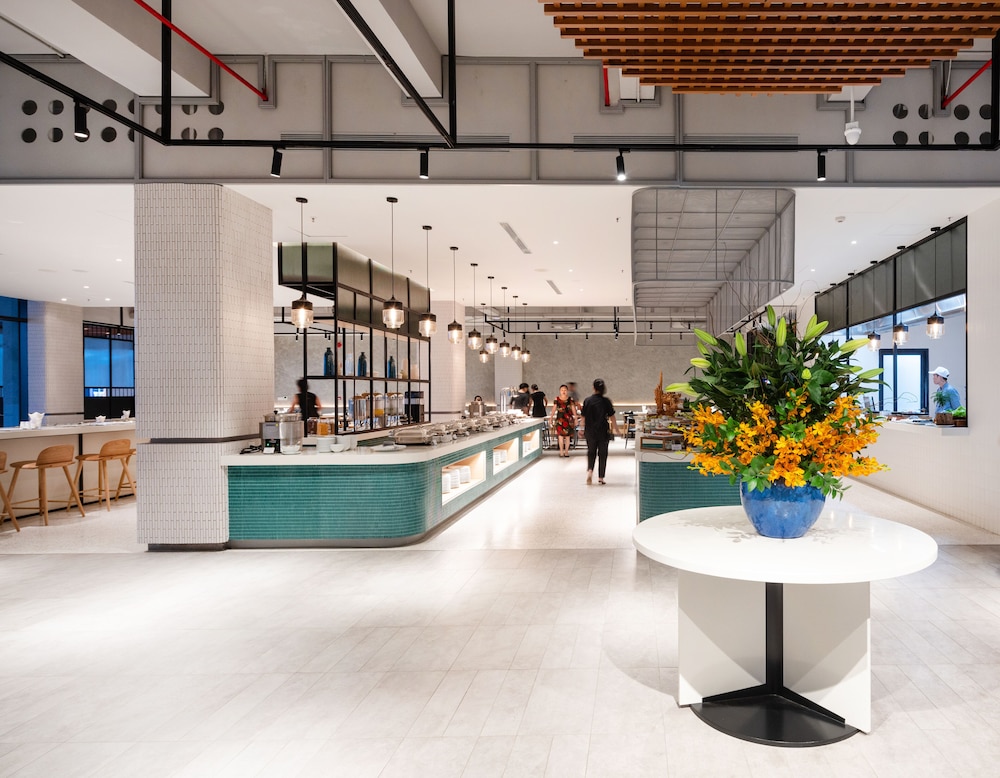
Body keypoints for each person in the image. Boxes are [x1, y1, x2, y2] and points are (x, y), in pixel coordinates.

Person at [582, 378, 620, 485]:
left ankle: (590, 470)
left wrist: (581, 428)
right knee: (603, 454)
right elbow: (612, 417)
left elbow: (583, 417)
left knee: (591, 452)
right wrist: (616, 429)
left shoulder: (587, 400)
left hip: (590, 430)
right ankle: (601, 477)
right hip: (603, 431)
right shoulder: (606, 401)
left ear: (593, 388)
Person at [549, 384, 576, 458]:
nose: (563, 391)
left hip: (568, 419)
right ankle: (561, 451)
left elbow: (573, 408)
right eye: (562, 390)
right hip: (560, 419)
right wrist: (551, 418)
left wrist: (576, 418)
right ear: (560, 391)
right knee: (560, 436)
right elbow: (554, 409)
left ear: (567, 391)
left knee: (567, 436)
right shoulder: (557, 399)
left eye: (565, 390)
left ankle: (566, 451)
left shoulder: (570, 399)